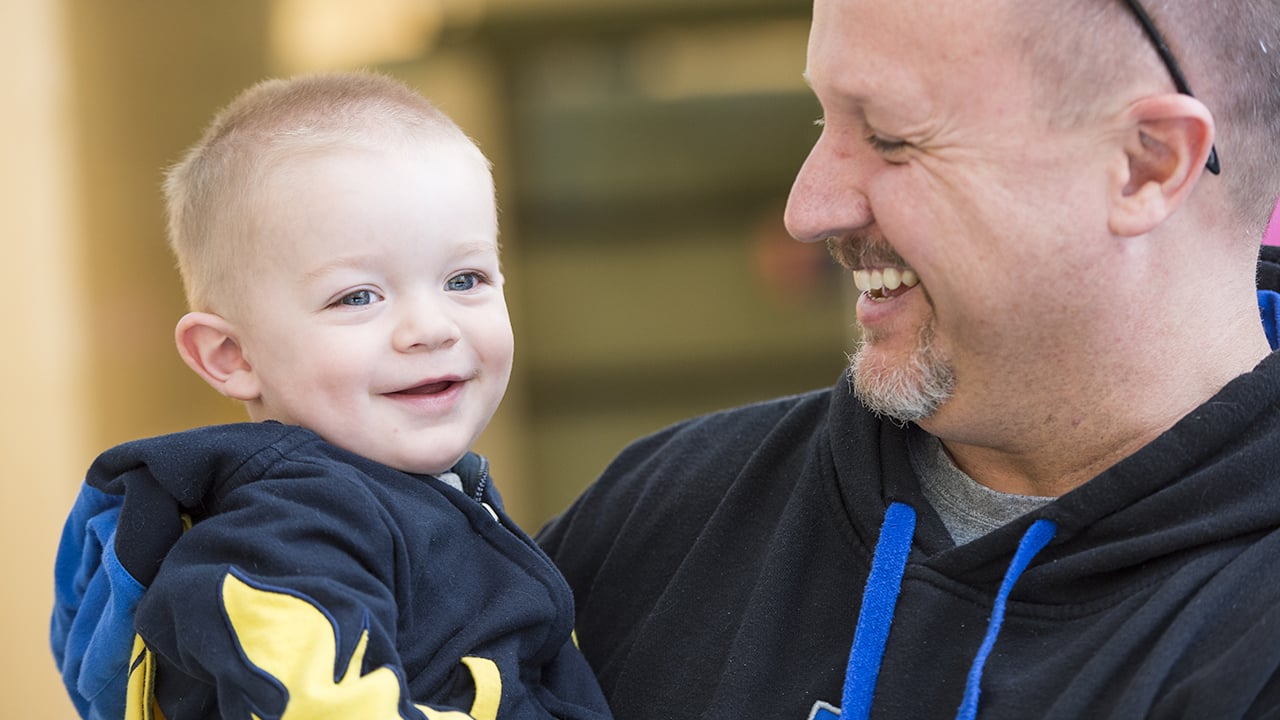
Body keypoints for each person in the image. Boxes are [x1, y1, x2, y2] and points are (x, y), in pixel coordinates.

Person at [537, 0, 1280, 718]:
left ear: (1146, 163)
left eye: (891, 136)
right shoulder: (659, 520)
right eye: (824, 119)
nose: (809, 208)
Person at [51, 72, 612, 720]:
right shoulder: (291, 528)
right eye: (358, 297)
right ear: (232, 357)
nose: (432, 328)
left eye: (465, 278)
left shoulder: (406, 495)